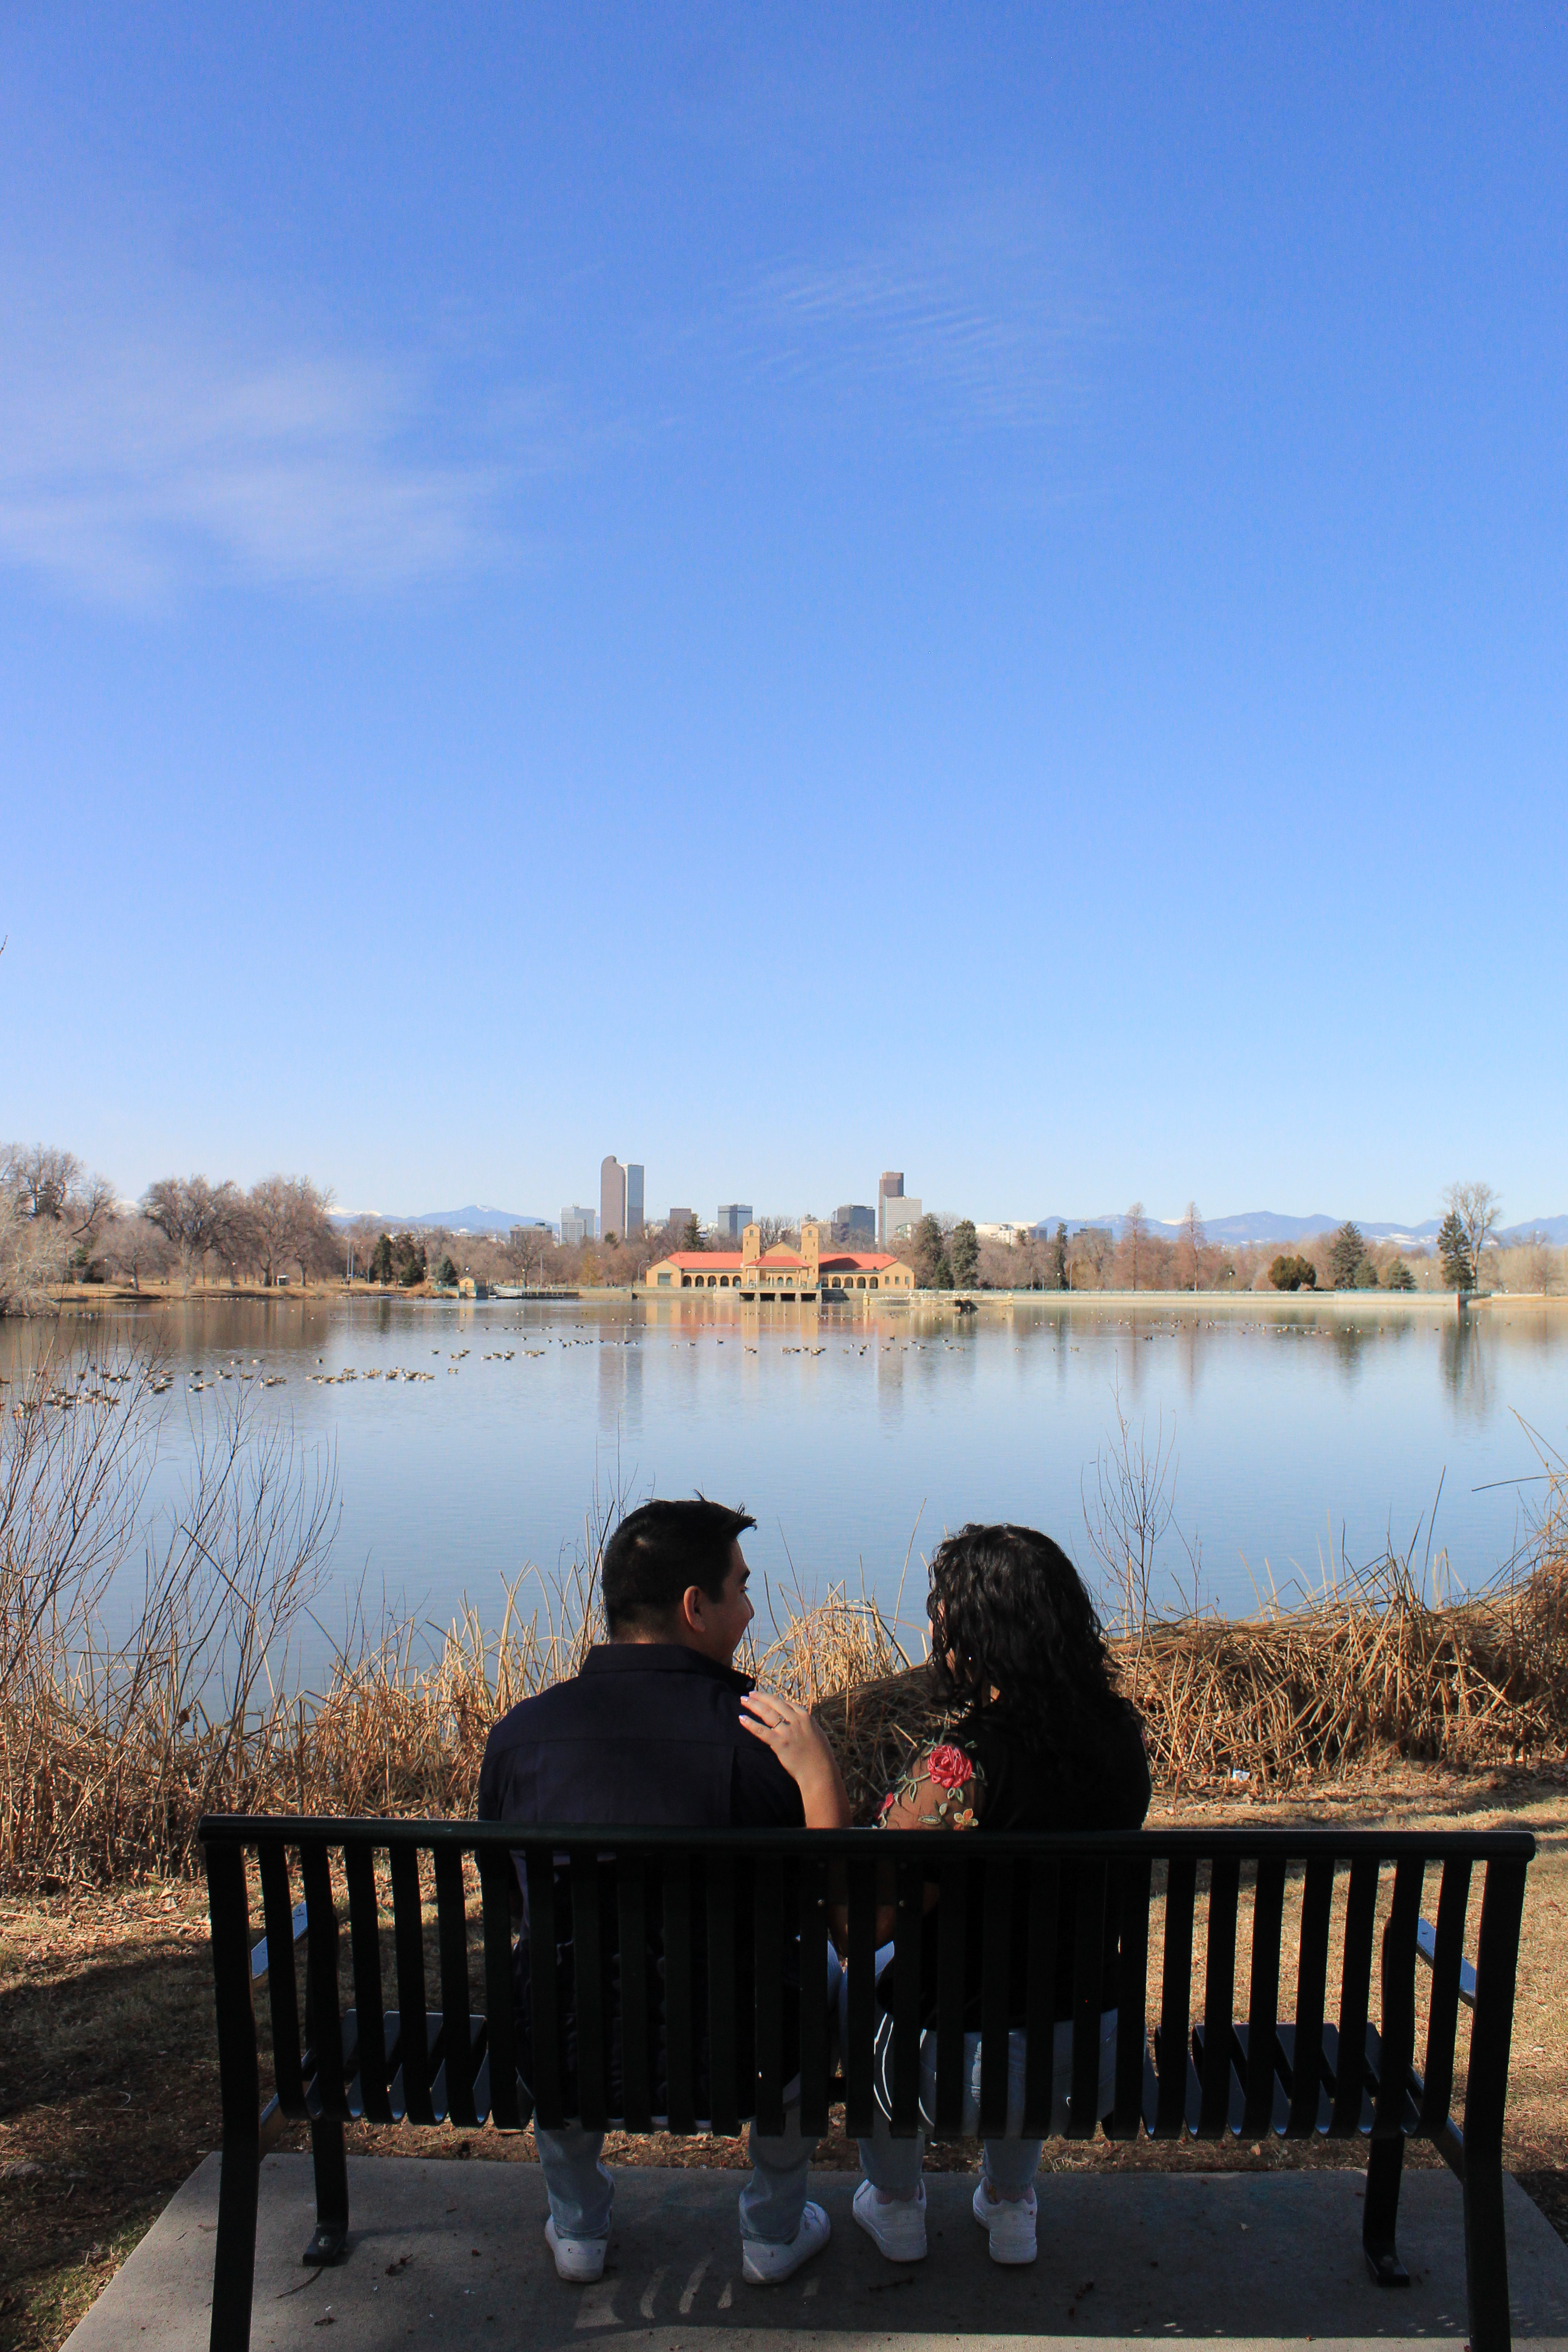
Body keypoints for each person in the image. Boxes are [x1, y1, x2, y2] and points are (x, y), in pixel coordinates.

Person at [477, 1496, 849, 2288]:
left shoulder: (518, 1739)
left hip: (565, 2054)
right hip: (738, 2056)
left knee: (550, 1972)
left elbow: (517, 1908)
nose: (751, 1609)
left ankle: (576, 2226)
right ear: (694, 1607)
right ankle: (773, 2230)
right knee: (816, 1975)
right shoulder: (762, 1751)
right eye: (741, 1589)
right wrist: (819, 1781)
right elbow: (825, 1909)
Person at [758, 1522, 1149, 2270]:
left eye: (942, 1616)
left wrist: (820, 1783)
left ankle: (897, 2206)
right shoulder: (1120, 1738)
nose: (934, 1630)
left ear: (976, 1635)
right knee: (1029, 1980)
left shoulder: (960, 1768)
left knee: (853, 1986)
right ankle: (1010, 2205)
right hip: (1090, 2050)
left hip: (952, 2072)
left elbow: (859, 1929)